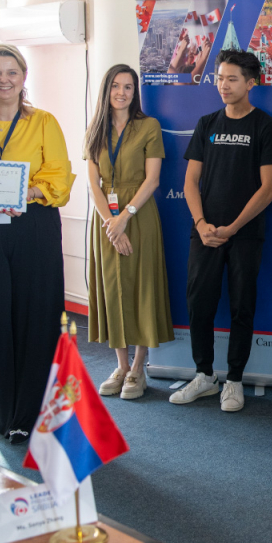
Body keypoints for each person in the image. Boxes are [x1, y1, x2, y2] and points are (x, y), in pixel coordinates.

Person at [0, 44, 76, 444]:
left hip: (34, 223)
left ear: (23, 77)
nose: (4, 80)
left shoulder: (43, 121)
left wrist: (26, 192)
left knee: (35, 315)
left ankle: (29, 413)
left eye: (11, 72)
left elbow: (59, 176)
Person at [170, 50, 272, 412]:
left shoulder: (265, 126)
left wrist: (233, 227)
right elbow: (190, 182)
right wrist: (201, 224)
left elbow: (269, 188)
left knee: (241, 306)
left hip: (244, 233)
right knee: (198, 302)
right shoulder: (207, 124)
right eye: (219, 78)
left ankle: (234, 380)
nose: (223, 85)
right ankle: (204, 375)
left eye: (232, 79)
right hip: (205, 232)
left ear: (251, 83)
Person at [84, 64, 174, 400]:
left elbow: (153, 180)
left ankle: (138, 368)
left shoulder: (149, 126)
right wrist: (112, 222)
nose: (121, 93)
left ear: (135, 93)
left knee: (141, 287)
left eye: (128, 87)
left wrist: (125, 217)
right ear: (106, 89)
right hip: (106, 221)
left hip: (139, 214)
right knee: (113, 289)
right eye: (115, 86)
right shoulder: (95, 130)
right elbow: (94, 184)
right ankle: (120, 366)